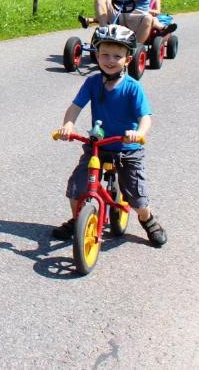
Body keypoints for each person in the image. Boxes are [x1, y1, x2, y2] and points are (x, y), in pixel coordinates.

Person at [53, 24, 167, 246]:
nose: (110, 60)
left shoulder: (133, 88)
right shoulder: (92, 82)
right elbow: (76, 107)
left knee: (136, 196)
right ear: (96, 55)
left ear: (128, 59)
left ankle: (148, 219)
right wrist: (68, 125)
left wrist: (139, 133)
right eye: (105, 54)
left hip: (127, 149)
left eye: (117, 55)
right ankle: (78, 220)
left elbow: (146, 117)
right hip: (98, 146)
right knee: (77, 186)